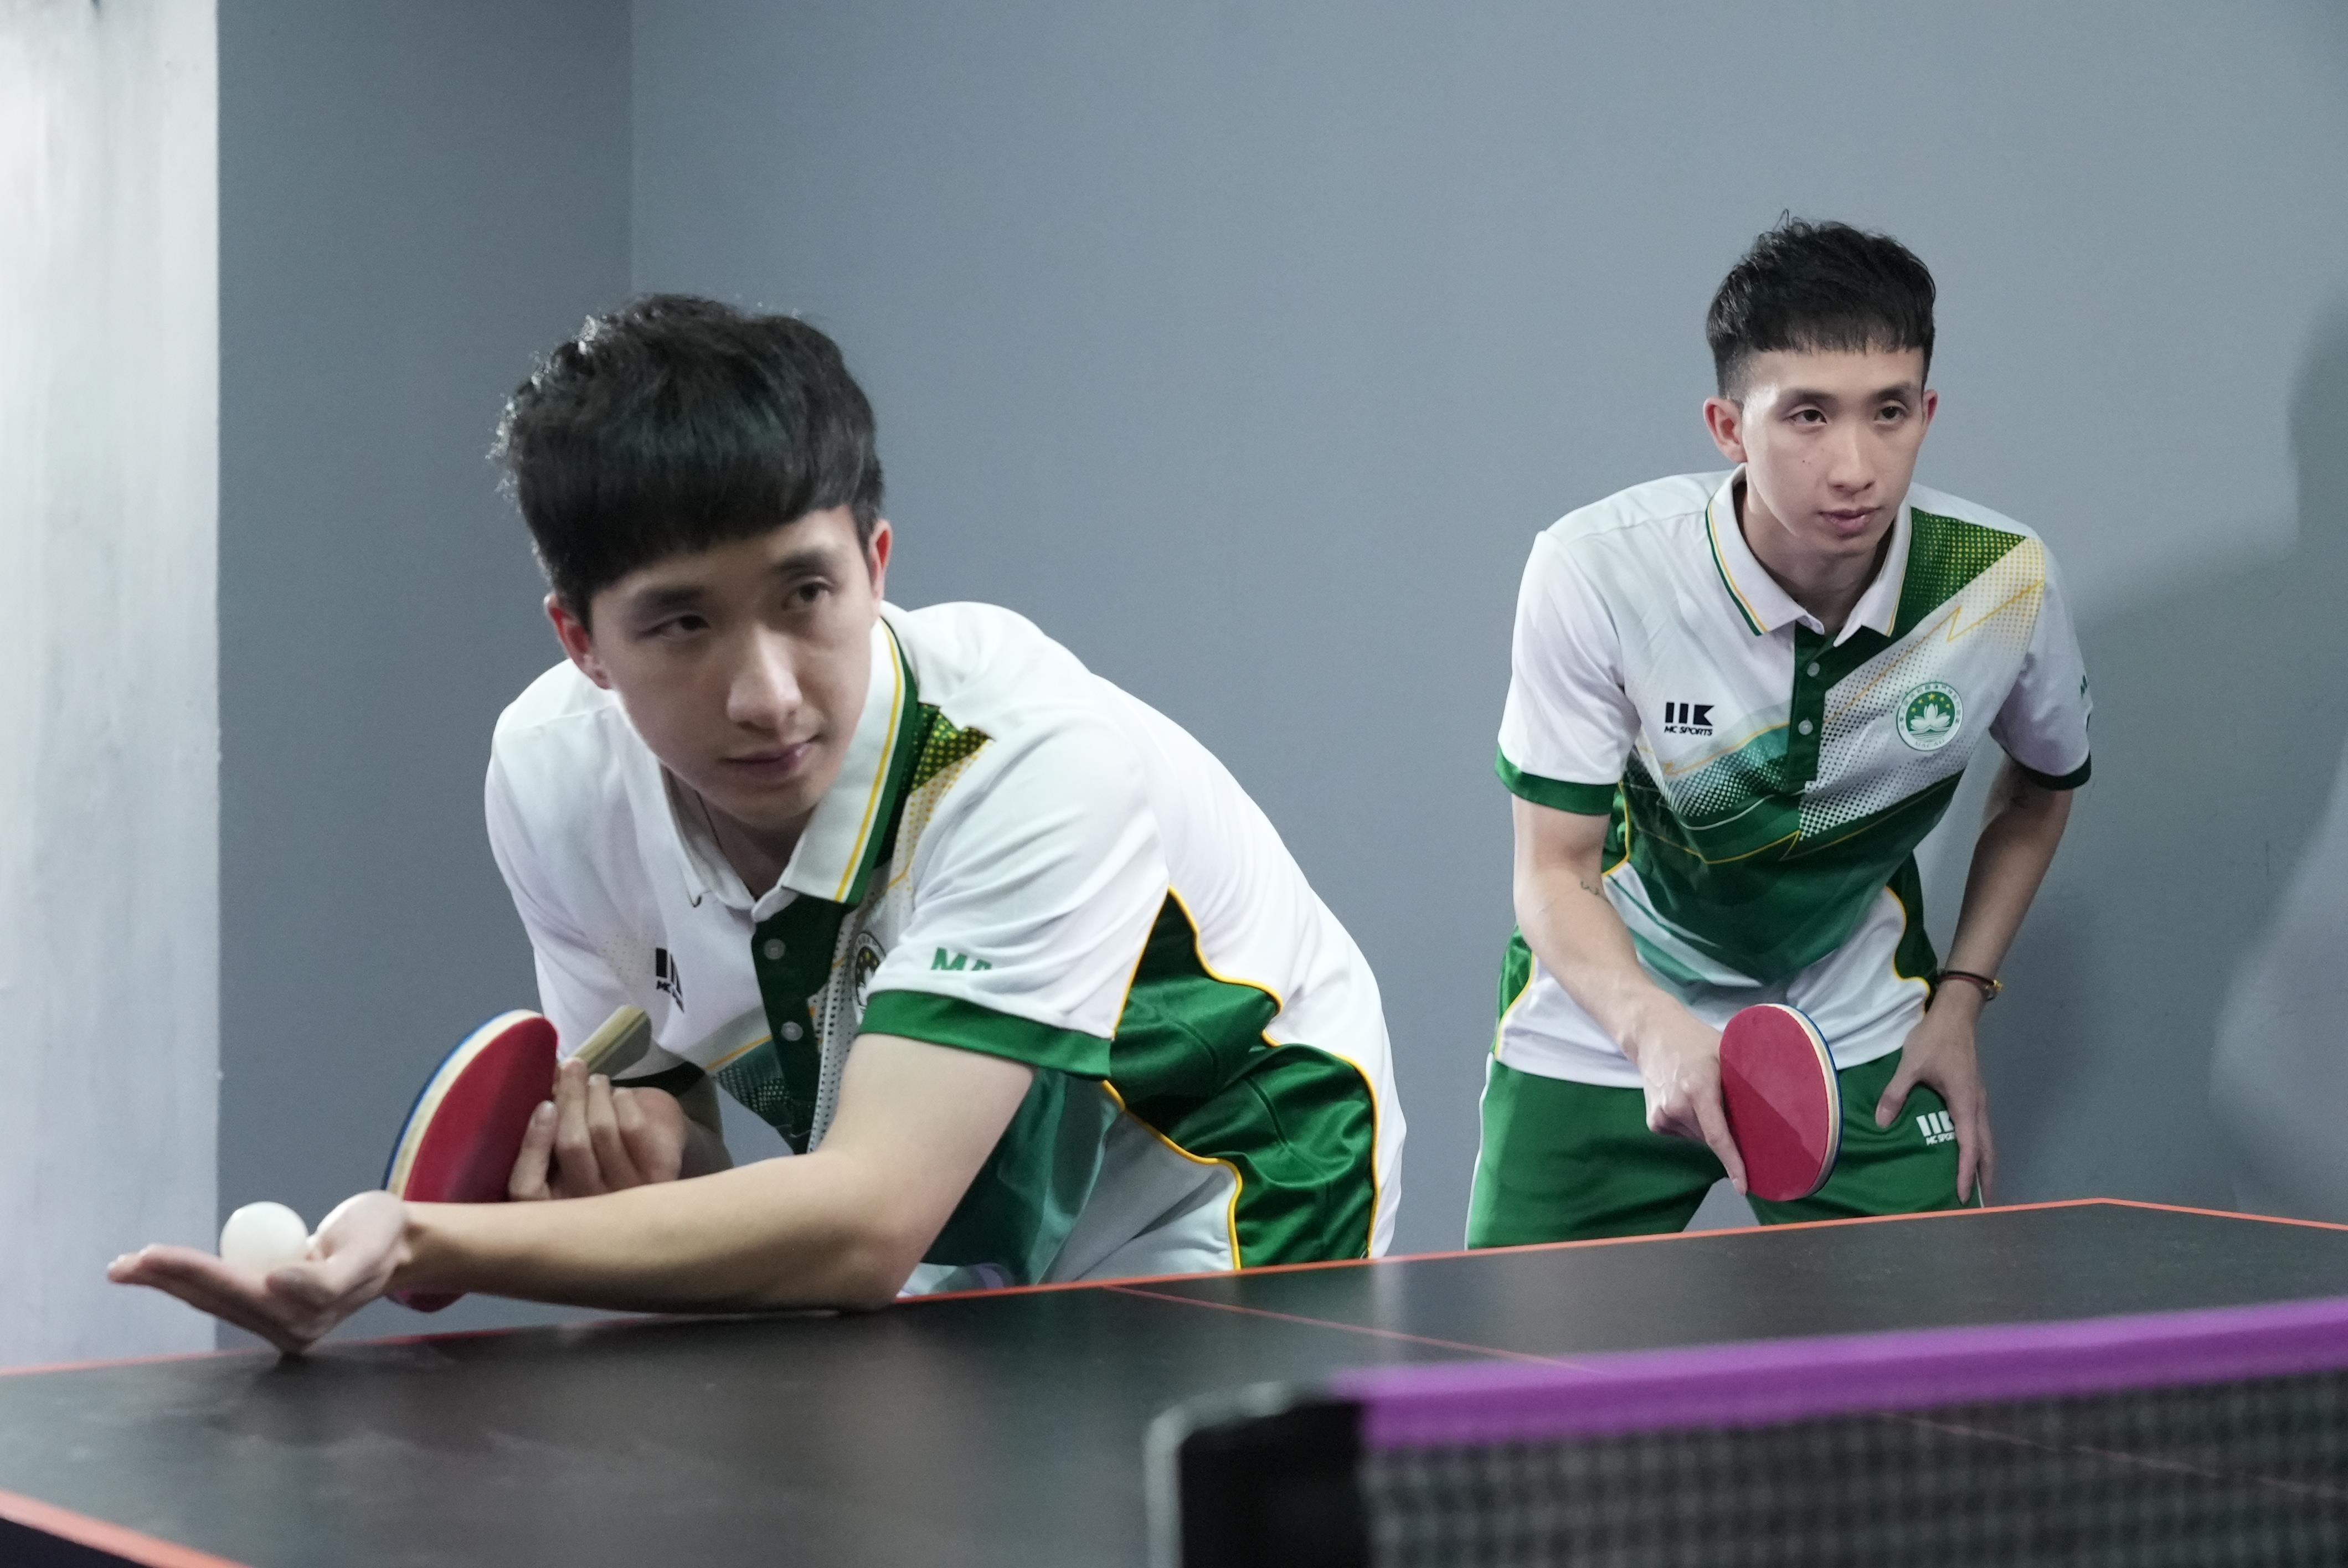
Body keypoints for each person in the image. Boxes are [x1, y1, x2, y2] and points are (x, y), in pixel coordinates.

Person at [113, 296, 1403, 1351]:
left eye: (804, 595)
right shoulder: (555, 780)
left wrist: (423, 1241)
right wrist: (652, 1152)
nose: (767, 695)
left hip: (1226, 1165)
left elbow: (861, 1225)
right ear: (581, 642)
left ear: (875, 566)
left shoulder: (1021, 763)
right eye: (681, 624)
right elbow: (670, 1123)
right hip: (953, 1198)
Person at [1468, 220, 2089, 1246]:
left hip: (1857, 1014)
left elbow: (2039, 789)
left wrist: (1961, 1000)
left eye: (1889, 412)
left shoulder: (2001, 583)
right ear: (1728, 427)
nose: (1854, 467)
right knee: (1519, 1349)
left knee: (1945, 1347)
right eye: (1808, 415)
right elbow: (1554, 873)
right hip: (1611, 1015)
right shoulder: (1599, 572)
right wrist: (1651, 1030)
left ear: (1927, 412)